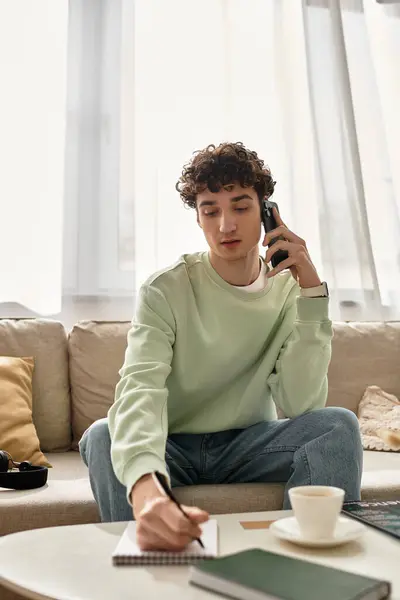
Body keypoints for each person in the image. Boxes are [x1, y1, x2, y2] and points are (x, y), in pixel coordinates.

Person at [80, 142, 363, 551]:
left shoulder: (287, 291)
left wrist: (311, 294)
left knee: (338, 425)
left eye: (241, 207)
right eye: (210, 210)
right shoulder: (166, 288)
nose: (226, 225)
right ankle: (147, 568)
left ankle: (305, 565)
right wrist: (148, 493)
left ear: (268, 211)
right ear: (198, 218)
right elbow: (140, 389)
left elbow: (302, 404)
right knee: (103, 435)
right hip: (171, 444)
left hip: (248, 444)